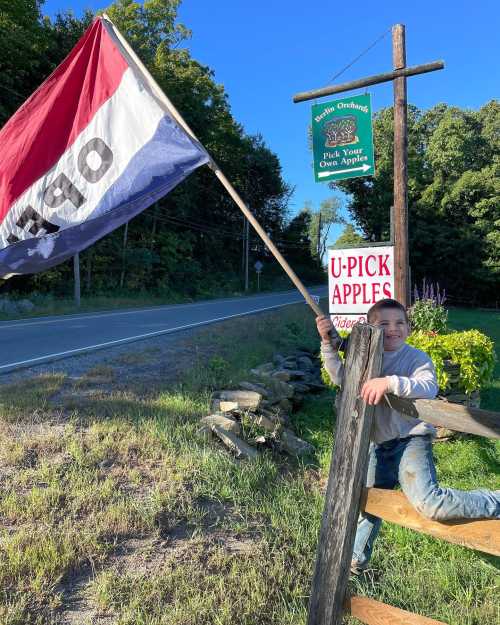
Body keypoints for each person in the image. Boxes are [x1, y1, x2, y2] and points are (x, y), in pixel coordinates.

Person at [316, 298, 500, 574]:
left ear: (409, 328)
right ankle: (356, 558)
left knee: (430, 502)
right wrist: (328, 345)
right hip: (379, 443)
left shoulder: (415, 358)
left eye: (400, 322)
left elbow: (427, 386)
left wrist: (389, 382)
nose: (393, 328)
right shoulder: (364, 354)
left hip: (410, 439)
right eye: (384, 323)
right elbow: (343, 378)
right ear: (370, 328)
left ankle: (494, 501)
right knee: (369, 501)